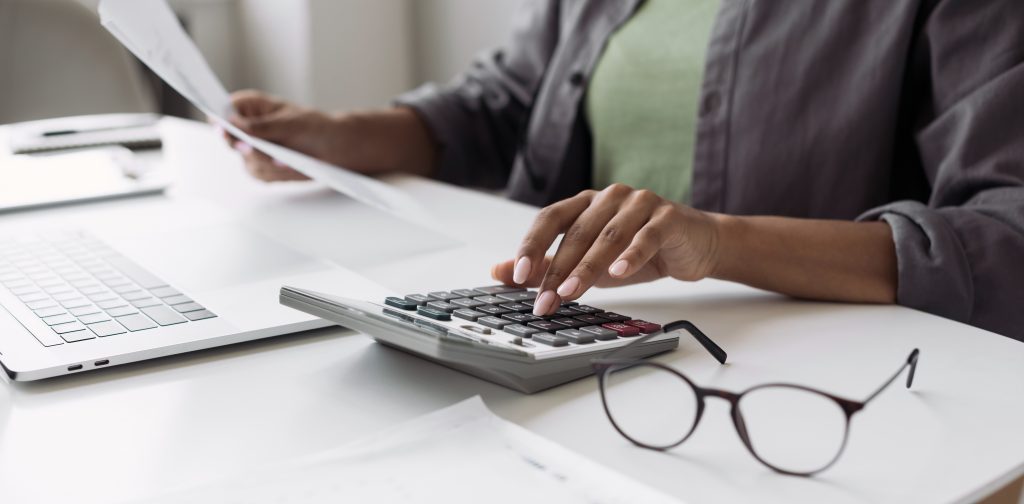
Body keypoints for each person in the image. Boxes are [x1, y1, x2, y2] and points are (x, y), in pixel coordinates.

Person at [221, 0, 1024, 340]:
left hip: (796, 380)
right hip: (568, 335)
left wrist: (715, 243)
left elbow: (1005, 234)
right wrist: (334, 133)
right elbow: (499, 106)